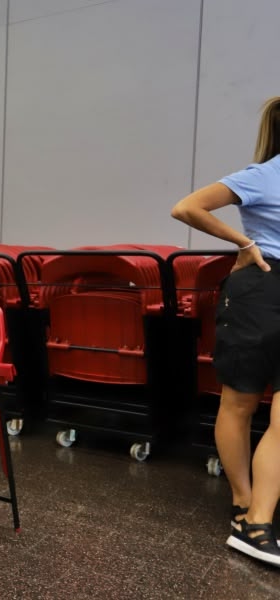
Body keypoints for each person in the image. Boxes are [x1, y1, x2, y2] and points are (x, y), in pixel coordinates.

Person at [171, 96, 280, 567]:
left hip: (262, 288)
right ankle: (246, 511)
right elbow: (187, 207)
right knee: (239, 400)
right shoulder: (263, 174)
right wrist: (244, 241)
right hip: (261, 284)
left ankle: (257, 517)